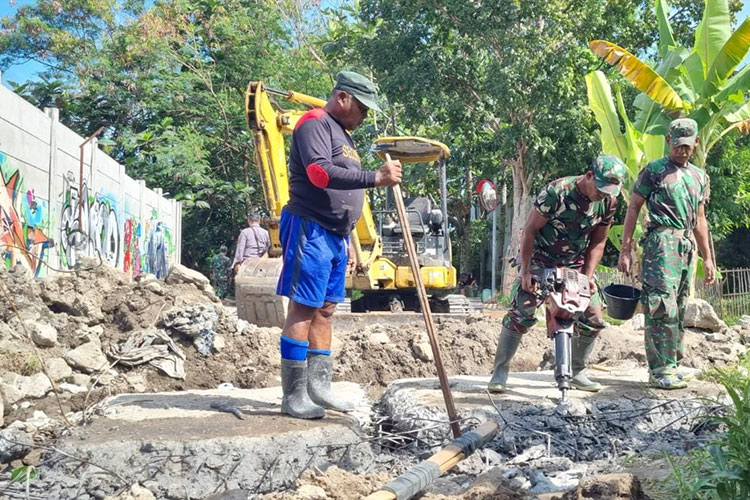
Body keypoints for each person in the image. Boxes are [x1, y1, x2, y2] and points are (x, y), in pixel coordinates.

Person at [277, 71, 402, 419]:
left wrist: (348, 238)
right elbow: (319, 173)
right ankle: (294, 395)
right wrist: (376, 177)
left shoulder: (342, 134)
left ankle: (319, 388)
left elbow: (343, 193)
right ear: (343, 97)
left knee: (327, 309)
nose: (363, 117)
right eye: (362, 109)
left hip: (334, 234)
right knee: (303, 306)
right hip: (310, 228)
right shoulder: (313, 123)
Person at [489, 154, 627, 394]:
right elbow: (530, 231)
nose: (603, 194)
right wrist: (525, 271)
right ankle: (500, 370)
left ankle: (577, 370)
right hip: (540, 258)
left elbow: (598, 242)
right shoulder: (557, 192)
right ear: (590, 176)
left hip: (574, 264)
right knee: (524, 307)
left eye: (609, 191)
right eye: (601, 188)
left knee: (593, 313)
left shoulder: (609, 202)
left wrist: (587, 276)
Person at [618, 118, 715, 390]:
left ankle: (673, 363)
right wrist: (626, 249)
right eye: (677, 145)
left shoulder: (699, 176)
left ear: (695, 143)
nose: (682, 150)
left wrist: (707, 258)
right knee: (661, 306)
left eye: (687, 145)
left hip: (686, 246)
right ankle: (659, 369)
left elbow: (700, 219)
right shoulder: (654, 171)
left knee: (679, 306)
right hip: (661, 243)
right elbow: (634, 207)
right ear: (668, 141)